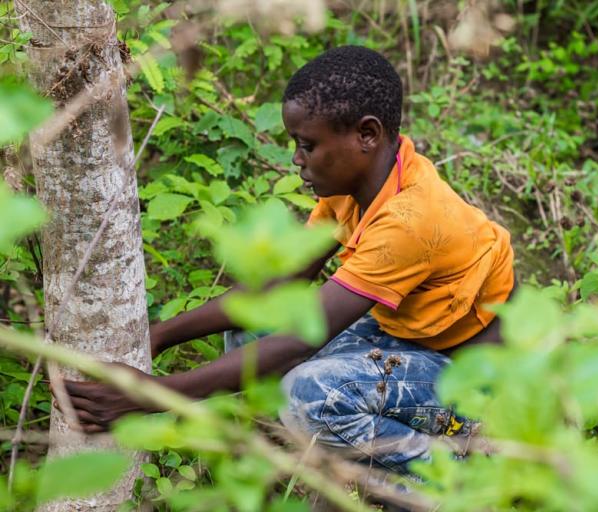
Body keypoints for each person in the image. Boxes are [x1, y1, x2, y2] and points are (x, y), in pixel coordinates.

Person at [64, 45, 515, 474]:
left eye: (308, 145)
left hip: (469, 378)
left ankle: (453, 474)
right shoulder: (365, 184)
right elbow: (281, 283)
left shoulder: (410, 220)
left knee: (310, 395)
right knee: (250, 329)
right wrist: (158, 336)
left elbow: (303, 337)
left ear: (367, 134)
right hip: (416, 336)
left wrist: (151, 395)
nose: (297, 160)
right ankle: (336, 446)